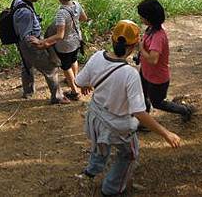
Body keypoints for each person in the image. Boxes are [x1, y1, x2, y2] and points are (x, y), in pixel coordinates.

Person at [75, 20, 181, 196]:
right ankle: (111, 189)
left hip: (96, 118)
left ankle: (92, 170)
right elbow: (139, 112)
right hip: (118, 125)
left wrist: (87, 85)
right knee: (129, 155)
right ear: (134, 46)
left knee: (100, 144)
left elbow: (79, 82)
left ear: (112, 38)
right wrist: (165, 133)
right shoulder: (130, 74)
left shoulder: (96, 56)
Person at [12, 0, 70, 104]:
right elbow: (26, 36)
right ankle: (57, 97)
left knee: (27, 65)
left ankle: (28, 92)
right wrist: (40, 44)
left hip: (22, 45)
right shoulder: (25, 13)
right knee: (50, 68)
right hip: (31, 46)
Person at [137, 0, 193, 121]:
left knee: (157, 102)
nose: (141, 19)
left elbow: (153, 60)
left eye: (142, 17)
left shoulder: (158, 36)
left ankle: (184, 110)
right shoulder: (150, 29)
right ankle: (144, 121)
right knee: (142, 96)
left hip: (157, 78)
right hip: (146, 72)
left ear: (149, 17)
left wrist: (141, 49)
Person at [40, 0, 88, 100]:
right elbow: (84, 18)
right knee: (74, 60)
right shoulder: (76, 4)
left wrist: (44, 41)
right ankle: (74, 80)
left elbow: (59, 35)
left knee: (66, 67)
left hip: (65, 45)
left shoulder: (61, 13)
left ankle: (75, 91)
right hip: (77, 40)